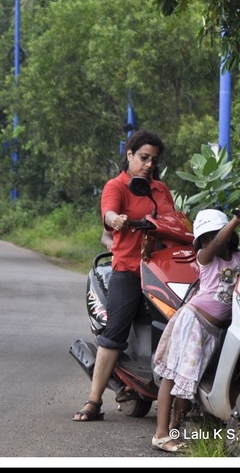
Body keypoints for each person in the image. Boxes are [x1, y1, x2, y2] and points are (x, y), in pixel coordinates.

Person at [73, 130, 176, 422]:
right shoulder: (117, 186)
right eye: (143, 157)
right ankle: (93, 402)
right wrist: (115, 219)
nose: (148, 165)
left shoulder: (160, 190)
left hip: (162, 270)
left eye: (153, 160)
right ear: (129, 155)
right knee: (114, 332)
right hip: (129, 270)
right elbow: (108, 213)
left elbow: (176, 221)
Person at [150, 207, 240, 452]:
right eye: (204, 238)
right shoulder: (205, 257)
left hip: (214, 330)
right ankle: (161, 434)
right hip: (194, 322)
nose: (210, 240)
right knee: (174, 377)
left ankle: (174, 431)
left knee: (189, 382)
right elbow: (216, 244)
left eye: (212, 235)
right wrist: (236, 221)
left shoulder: (239, 256)